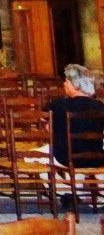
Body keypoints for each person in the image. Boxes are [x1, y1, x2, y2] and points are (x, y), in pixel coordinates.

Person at [42, 64, 104, 209]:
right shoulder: (100, 106)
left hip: (65, 155)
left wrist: (51, 127)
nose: (64, 84)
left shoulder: (59, 105)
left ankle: (66, 191)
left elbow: (45, 123)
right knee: (79, 156)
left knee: (33, 157)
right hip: (96, 156)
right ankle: (77, 192)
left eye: (67, 81)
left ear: (74, 85)